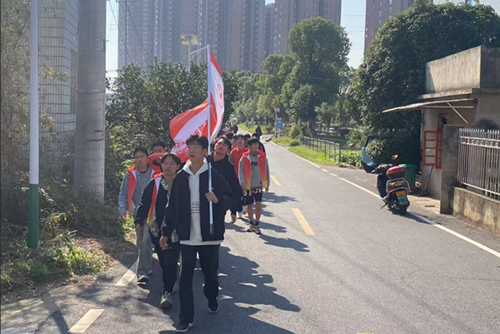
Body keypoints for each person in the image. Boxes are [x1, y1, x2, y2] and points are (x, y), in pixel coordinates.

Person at [161, 134, 236, 333]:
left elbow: (232, 198)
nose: (192, 150)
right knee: (185, 279)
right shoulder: (181, 177)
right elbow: (172, 208)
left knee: (210, 276)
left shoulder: (213, 175)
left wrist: (218, 199)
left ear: (205, 152)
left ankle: (212, 297)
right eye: (190, 147)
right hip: (187, 236)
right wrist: (166, 233)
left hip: (210, 236)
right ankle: (186, 318)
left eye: (196, 147)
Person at [135, 153, 182, 308]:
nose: (168, 166)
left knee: (171, 259)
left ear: (178, 166)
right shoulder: (155, 182)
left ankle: (166, 292)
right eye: (165, 163)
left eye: (171, 163)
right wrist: (139, 220)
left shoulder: (182, 182)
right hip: (156, 228)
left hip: (176, 229)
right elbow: (144, 201)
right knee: (163, 260)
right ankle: (172, 281)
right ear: (161, 165)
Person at [118, 147, 157, 282]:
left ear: (147, 158)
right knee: (141, 241)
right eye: (136, 157)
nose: (139, 159)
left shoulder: (156, 173)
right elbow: (123, 193)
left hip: (153, 212)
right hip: (137, 213)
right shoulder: (130, 174)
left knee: (146, 239)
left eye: (142, 156)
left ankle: (142, 272)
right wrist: (122, 208)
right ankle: (147, 264)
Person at [239, 137, 270, 235]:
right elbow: (241, 172)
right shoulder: (244, 158)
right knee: (249, 205)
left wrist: (266, 184)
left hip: (258, 185)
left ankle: (257, 223)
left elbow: (266, 170)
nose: (256, 146)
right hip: (248, 185)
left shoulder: (262, 157)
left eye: (257, 144)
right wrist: (242, 184)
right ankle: (251, 223)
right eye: (254, 144)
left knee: (258, 204)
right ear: (249, 146)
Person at [212, 136, 239, 224]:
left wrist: (233, 210)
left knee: (216, 232)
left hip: (218, 203)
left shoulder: (229, 167)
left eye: (224, 145)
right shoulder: (204, 161)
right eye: (219, 143)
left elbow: (233, 188)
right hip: (200, 202)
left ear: (228, 150)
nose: (221, 146)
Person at [229, 134, 248, 219]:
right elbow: (230, 163)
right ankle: (239, 210)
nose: (240, 141)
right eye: (238, 139)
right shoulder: (233, 152)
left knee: (246, 193)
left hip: (247, 176)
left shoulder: (248, 151)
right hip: (236, 176)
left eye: (241, 139)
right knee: (238, 194)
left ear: (245, 141)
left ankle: (245, 205)